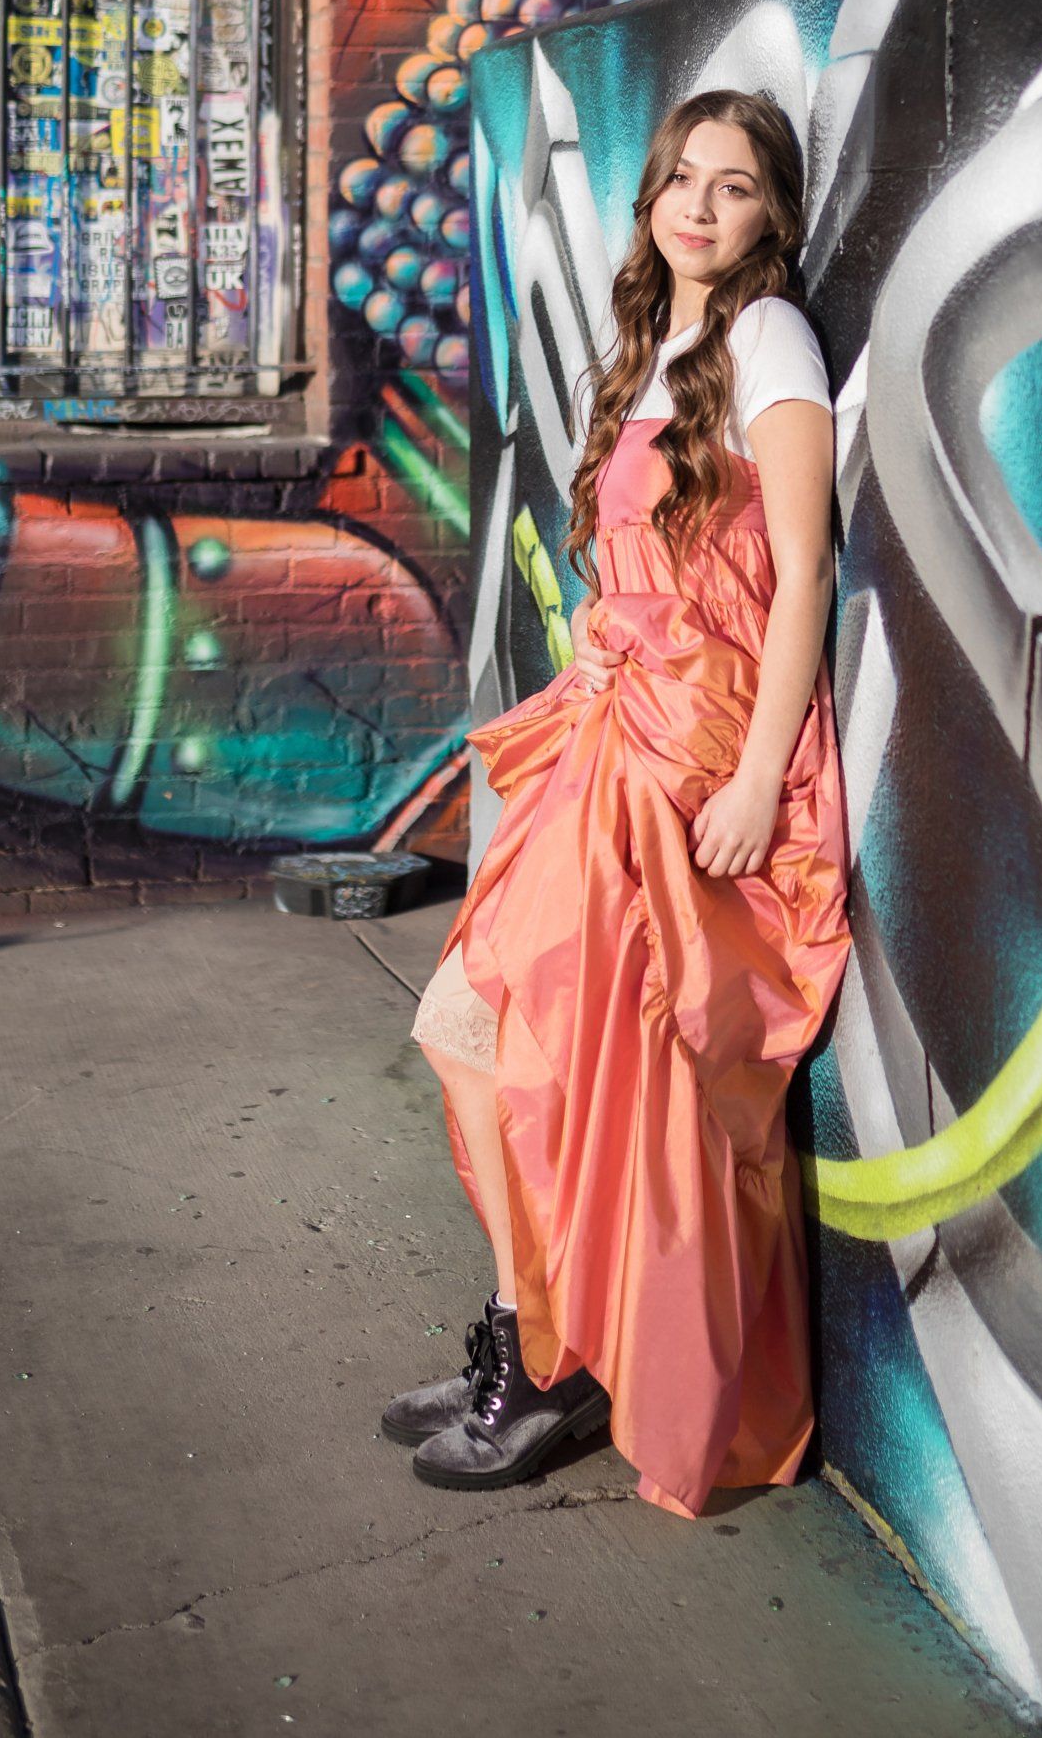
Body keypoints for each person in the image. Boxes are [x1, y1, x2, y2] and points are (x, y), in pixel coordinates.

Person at [382, 88, 850, 1514]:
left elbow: (806, 574)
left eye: (737, 187)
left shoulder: (770, 337)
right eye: (682, 181)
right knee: (484, 1031)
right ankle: (541, 1337)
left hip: (692, 752)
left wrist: (762, 777)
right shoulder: (656, 347)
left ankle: (552, 1374)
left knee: (555, 1064)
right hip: (608, 728)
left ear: (774, 216)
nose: (701, 207)